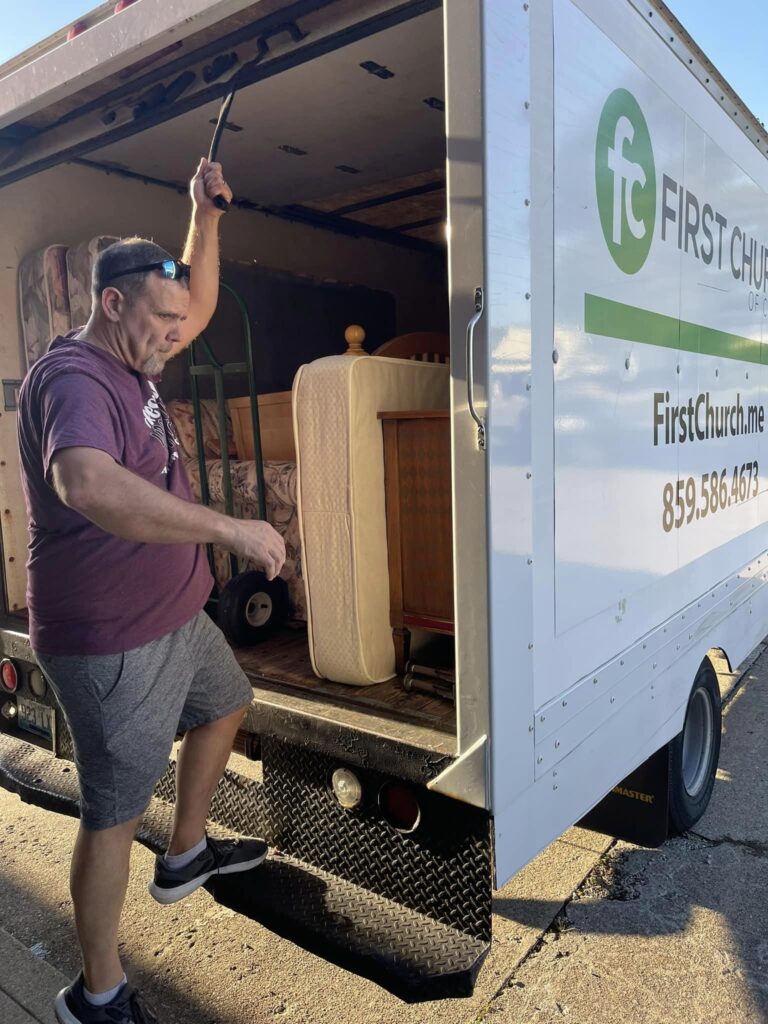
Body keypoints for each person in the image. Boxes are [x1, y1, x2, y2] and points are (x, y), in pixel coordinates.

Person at [17, 158, 285, 1024]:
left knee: (227, 700)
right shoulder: (75, 379)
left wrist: (201, 219)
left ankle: (188, 851)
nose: (180, 332)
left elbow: (194, 299)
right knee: (110, 815)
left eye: (179, 322)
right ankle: (96, 994)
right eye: (161, 320)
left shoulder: (138, 357)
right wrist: (227, 527)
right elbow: (85, 483)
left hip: (172, 617)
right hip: (109, 640)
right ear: (111, 305)